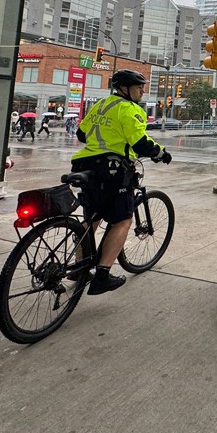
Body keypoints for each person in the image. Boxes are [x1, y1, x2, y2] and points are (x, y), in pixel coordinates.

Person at [71, 69, 172, 295]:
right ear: (125, 89)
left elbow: (81, 135)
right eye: (138, 87)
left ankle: (79, 267)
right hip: (111, 170)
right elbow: (140, 143)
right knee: (122, 220)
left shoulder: (101, 105)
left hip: (84, 166)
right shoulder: (130, 109)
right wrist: (161, 154)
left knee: (92, 218)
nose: (142, 91)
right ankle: (102, 276)